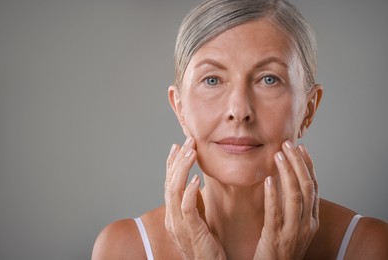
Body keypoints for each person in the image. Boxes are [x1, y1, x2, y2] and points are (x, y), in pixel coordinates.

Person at [92, 0, 388, 259]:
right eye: (212, 80)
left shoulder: (368, 247)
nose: (239, 110)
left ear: (308, 110)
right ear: (179, 107)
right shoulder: (124, 249)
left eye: (268, 79)